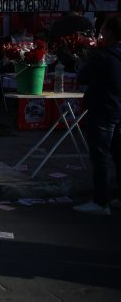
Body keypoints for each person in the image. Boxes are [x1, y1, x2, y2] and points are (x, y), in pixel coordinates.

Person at [73, 15, 121, 215]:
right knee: (117, 155)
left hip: (102, 111)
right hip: (117, 110)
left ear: (109, 32)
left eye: (103, 30)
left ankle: (101, 202)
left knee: (100, 157)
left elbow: (82, 76)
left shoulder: (102, 56)